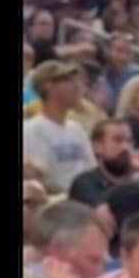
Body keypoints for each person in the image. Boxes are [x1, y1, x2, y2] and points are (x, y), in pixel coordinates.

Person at [23, 61, 94, 192]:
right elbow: (40, 180)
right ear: (48, 86)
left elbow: (91, 171)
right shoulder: (32, 130)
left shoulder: (77, 129)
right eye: (68, 81)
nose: (77, 87)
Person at [67, 117, 138, 208]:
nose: (125, 147)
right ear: (97, 147)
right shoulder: (84, 183)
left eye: (129, 141)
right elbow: (108, 212)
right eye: (117, 140)